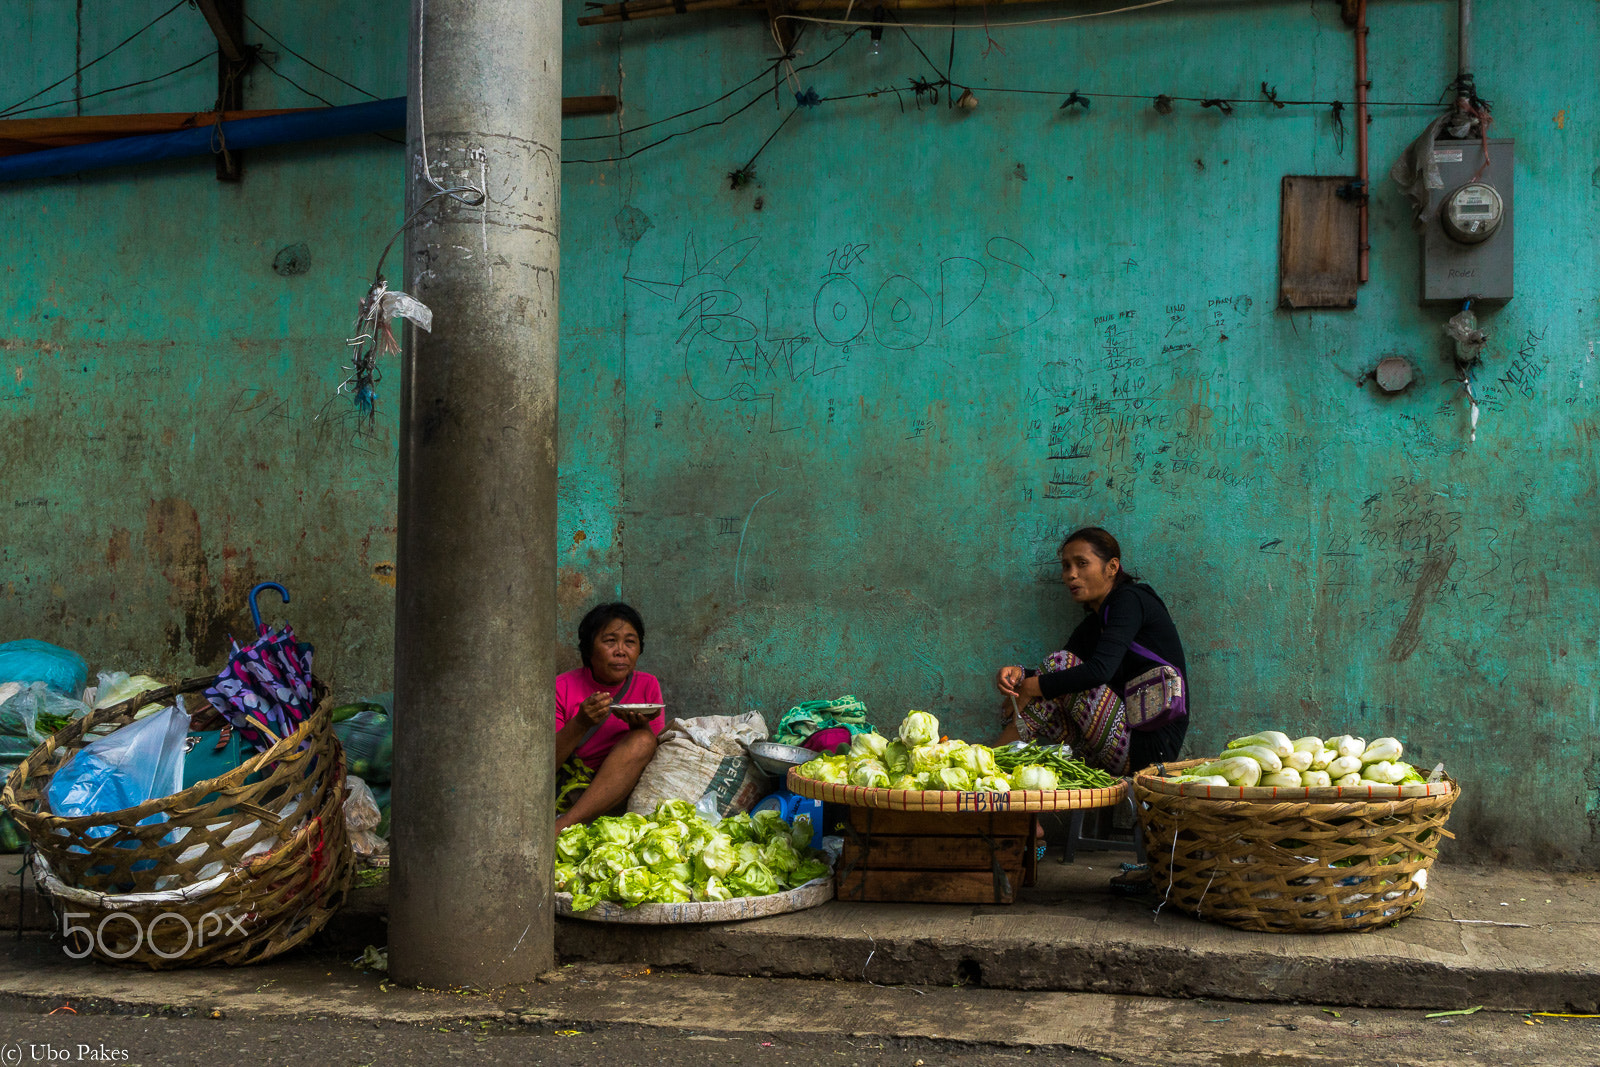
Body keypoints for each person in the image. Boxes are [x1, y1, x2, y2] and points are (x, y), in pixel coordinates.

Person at [994, 527, 1190, 776]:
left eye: (1081, 564)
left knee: (1057, 667)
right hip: (1106, 747)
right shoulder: (1094, 624)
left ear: (1112, 567)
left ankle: (987, 763)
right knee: (1050, 682)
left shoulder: (1130, 601)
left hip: (1148, 748)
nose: (1070, 575)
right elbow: (1059, 678)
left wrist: (1030, 687)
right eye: (1066, 566)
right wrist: (1019, 677)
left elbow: (1097, 670)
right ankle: (990, 764)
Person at [554, 602, 665, 832]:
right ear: (589, 649)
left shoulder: (647, 684)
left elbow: (655, 758)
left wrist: (641, 727)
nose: (621, 651)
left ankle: (563, 826)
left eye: (630, 642)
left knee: (643, 740)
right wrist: (581, 723)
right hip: (569, 790)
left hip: (621, 791)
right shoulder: (561, 687)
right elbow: (545, 765)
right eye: (610, 641)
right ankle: (566, 822)